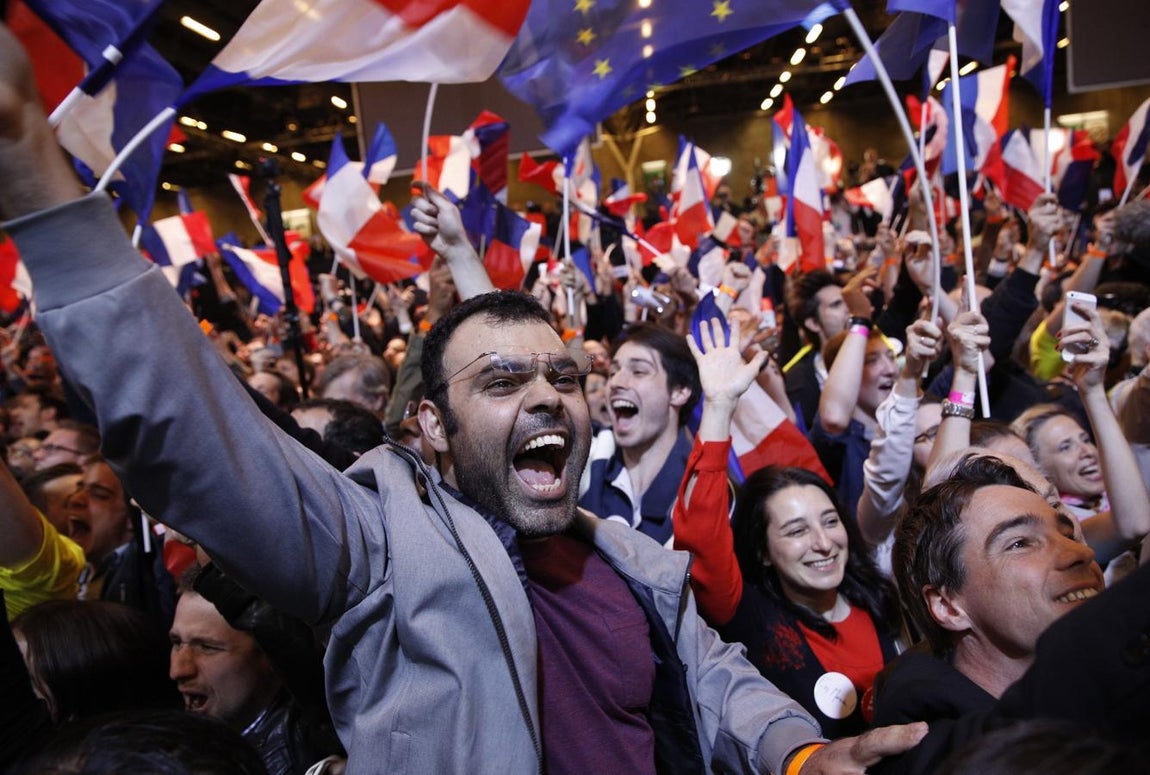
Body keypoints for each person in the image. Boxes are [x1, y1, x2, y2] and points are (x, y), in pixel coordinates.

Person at [0, 35, 924, 772]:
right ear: (431, 425)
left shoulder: (631, 559)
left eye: (563, 377)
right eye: (501, 381)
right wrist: (43, 193)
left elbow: (711, 674)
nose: (548, 398)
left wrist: (794, 751)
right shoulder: (370, 545)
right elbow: (193, 440)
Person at [674, 318, 902, 738]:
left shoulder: (882, 602)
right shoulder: (750, 617)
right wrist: (721, 406)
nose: (823, 543)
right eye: (796, 531)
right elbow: (701, 535)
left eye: (830, 521)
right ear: (762, 549)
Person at [579, 322, 701, 546]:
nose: (615, 382)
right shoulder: (591, 455)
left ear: (679, 391)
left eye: (638, 371)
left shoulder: (701, 491)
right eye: (613, 372)